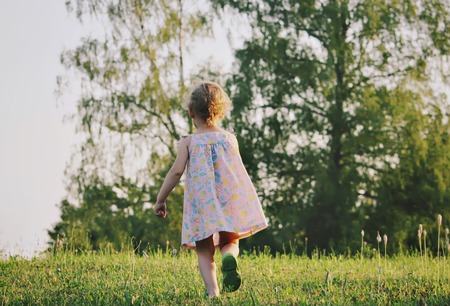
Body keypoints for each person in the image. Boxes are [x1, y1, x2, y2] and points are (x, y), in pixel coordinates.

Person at [154, 81, 268, 297]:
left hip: (202, 203)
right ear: (221, 111)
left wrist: (161, 199)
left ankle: (213, 292)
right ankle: (230, 257)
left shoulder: (188, 142)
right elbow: (237, 171)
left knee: (204, 250)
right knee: (230, 241)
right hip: (229, 198)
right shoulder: (229, 139)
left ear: (190, 112)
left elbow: (176, 172)